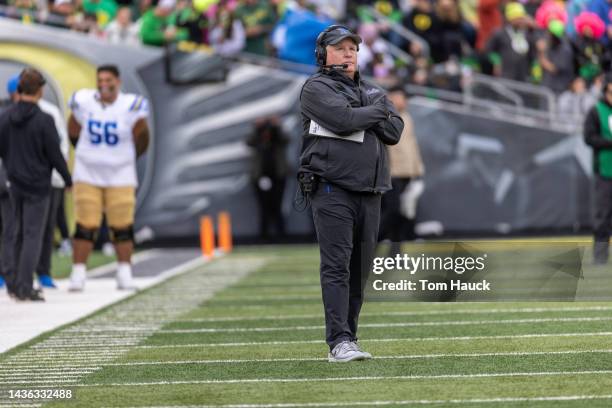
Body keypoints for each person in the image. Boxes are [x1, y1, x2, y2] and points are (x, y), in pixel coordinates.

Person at [298, 25, 404, 362]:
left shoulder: (370, 90)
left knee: (361, 269)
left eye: (353, 49)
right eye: (341, 48)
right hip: (332, 189)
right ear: (323, 54)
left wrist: (365, 114)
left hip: (370, 191)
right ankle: (338, 341)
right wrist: (374, 112)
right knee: (337, 266)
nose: (349, 54)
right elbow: (343, 120)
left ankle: (350, 337)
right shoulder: (315, 88)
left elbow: (394, 130)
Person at [67, 64, 150, 291]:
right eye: (100, 80)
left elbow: (142, 136)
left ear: (118, 82)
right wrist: (87, 154)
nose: (104, 84)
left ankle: (124, 272)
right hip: (88, 173)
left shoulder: (131, 105)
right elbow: (73, 128)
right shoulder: (83, 101)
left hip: (121, 174)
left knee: (122, 226)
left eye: (108, 80)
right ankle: (78, 273)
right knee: (85, 225)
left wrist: (127, 156)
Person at [0, 68, 73, 301]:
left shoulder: (5, 117)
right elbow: (54, 154)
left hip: (13, 182)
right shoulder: (44, 119)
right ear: (40, 90)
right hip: (38, 185)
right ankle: (24, 286)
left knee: (13, 234)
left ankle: (12, 283)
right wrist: (67, 179)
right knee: (33, 235)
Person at [380, 87, 425, 252]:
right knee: (392, 211)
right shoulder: (385, 116)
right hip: (391, 173)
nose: (404, 100)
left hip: (407, 173)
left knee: (400, 213)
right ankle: (372, 240)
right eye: (400, 97)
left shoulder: (406, 116)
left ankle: (395, 252)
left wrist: (418, 169)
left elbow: (412, 146)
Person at [583, 75, 612, 265]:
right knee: (603, 215)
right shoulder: (596, 111)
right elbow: (589, 137)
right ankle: (600, 257)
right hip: (605, 171)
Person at [246, 116, 288, 241]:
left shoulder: (277, 136)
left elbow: (286, 140)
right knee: (263, 207)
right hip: (260, 176)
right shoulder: (257, 137)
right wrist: (257, 128)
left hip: (278, 176)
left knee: (277, 206)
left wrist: (276, 127)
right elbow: (249, 142)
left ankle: (281, 236)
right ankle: (264, 236)